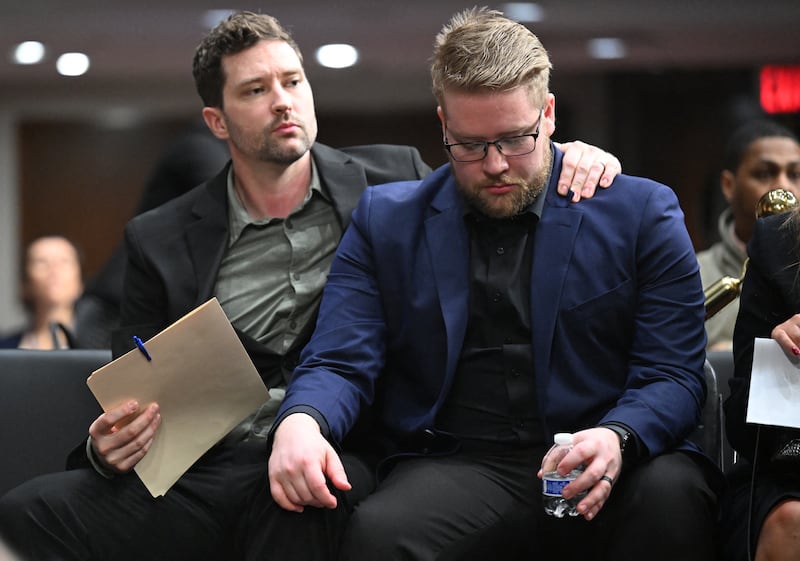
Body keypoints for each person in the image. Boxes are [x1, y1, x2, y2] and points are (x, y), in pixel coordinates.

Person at [0, 10, 622, 561]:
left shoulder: (393, 180)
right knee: (28, 511)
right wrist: (105, 446)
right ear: (216, 121)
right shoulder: (158, 237)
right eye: (256, 89)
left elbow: (495, 185)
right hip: (203, 466)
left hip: (340, 443)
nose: (283, 101)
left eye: (293, 81)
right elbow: (129, 386)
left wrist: (567, 155)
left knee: (301, 503)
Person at [269, 8, 722, 561]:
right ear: (443, 125)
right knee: (379, 534)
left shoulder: (640, 212)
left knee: (672, 496)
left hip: (612, 448)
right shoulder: (387, 221)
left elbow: (673, 372)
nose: (496, 165)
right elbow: (340, 358)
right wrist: (301, 421)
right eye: (470, 145)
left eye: (515, 139)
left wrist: (619, 436)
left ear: (549, 114)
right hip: (461, 464)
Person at [73, 118, 230, 349]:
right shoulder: (199, 145)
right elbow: (229, 200)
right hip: (115, 309)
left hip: (140, 304)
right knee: (122, 384)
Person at [720, 205, 800, 561]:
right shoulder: (779, 240)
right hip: (789, 473)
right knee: (792, 521)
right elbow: (741, 432)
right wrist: (778, 360)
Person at [697, 119, 800, 350]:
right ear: (728, 185)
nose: (784, 186)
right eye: (764, 174)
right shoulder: (693, 274)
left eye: (795, 174)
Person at [0, 235, 83, 349]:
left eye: (64, 261)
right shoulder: (5, 350)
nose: (54, 270)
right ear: (25, 283)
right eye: (41, 262)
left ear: (80, 282)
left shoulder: (104, 349)